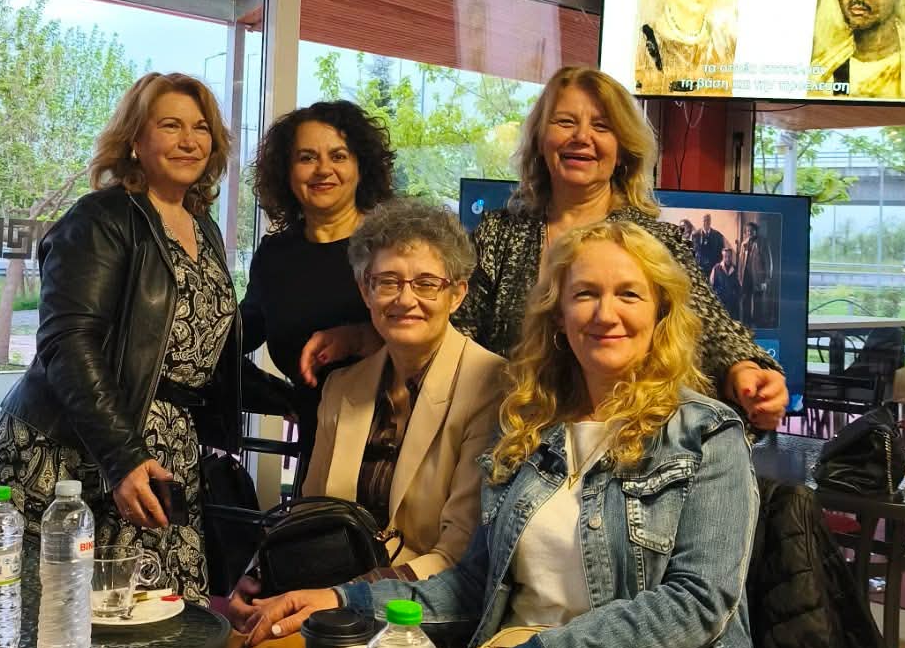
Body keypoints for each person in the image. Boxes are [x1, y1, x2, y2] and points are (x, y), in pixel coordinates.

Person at [249, 220, 776, 648]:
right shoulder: (528, 426)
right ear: (558, 316)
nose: (605, 314)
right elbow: (474, 584)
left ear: (660, 311)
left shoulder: (707, 434)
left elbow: (696, 603)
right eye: (585, 294)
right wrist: (344, 600)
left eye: (628, 294)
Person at [303, 67, 785, 430]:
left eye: (601, 126)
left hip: (622, 452)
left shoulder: (658, 241)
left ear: (623, 148)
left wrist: (748, 369)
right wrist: (364, 336)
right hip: (506, 443)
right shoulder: (498, 233)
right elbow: (448, 330)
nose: (582, 138)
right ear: (540, 139)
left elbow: (714, 332)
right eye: (565, 122)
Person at [0, 73, 241, 599]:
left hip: (164, 450)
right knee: (60, 620)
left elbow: (196, 353)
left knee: (161, 617)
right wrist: (122, 458)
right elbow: (68, 342)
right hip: (74, 452)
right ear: (134, 139)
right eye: (170, 126)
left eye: (201, 128)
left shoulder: (203, 226)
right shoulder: (100, 217)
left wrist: (311, 393)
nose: (189, 141)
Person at [228, 198, 507, 642]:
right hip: (327, 601)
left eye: (426, 283)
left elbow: (457, 555)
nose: (405, 299)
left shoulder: (493, 386)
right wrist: (261, 573)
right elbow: (311, 513)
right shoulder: (342, 387)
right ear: (365, 291)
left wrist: (338, 597)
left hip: (424, 618)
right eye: (387, 282)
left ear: (457, 294)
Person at [240, 101, 395, 487]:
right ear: (287, 172)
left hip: (395, 446)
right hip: (318, 447)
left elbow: (439, 343)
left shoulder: (396, 245)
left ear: (361, 166)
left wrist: (360, 337)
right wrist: (281, 397)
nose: (323, 169)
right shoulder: (276, 256)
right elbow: (233, 340)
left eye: (338, 156)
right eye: (307, 157)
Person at [738, 222, 773, 330]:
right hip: (746, 277)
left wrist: (767, 280)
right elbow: (740, 262)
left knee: (758, 302)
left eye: (751, 230)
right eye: (747, 231)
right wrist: (740, 277)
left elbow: (768, 262)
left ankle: (758, 324)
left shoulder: (762, 243)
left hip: (758, 278)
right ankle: (746, 323)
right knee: (745, 301)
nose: (749, 232)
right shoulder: (744, 244)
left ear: (755, 231)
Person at [710, 244, 741, 318]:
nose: (727, 259)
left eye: (729, 256)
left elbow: (738, 286)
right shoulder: (716, 268)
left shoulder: (735, 269)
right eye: (725, 256)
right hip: (721, 301)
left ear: (731, 257)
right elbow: (712, 285)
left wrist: (735, 296)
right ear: (722, 256)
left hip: (732, 303)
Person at [694, 212, 724, 278]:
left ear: (710, 221)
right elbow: (694, 251)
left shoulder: (717, 235)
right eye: (704, 220)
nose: (706, 222)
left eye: (708, 220)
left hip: (713, 268)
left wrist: (718, 264)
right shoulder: (696, 235)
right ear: (702, 221)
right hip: (700, 267)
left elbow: (721, 251)